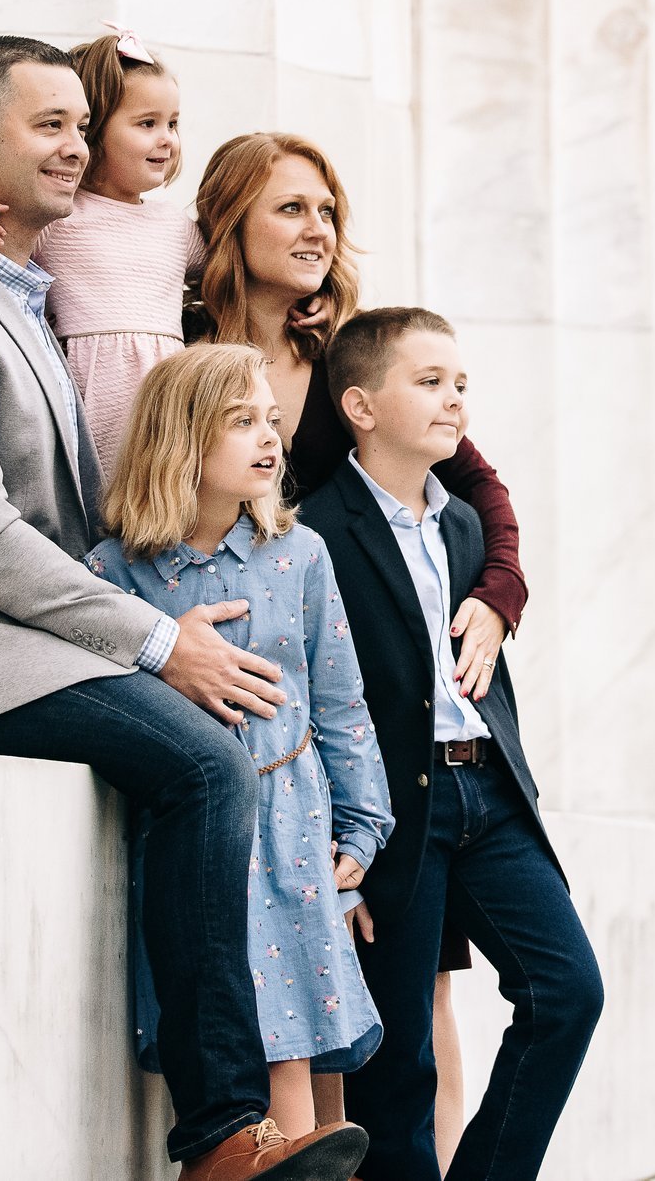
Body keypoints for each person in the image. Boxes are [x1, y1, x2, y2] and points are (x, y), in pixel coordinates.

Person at [0, 37, 366, 1181]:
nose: (75, 142)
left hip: (10, 641)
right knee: (203, 759)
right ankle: (220, 1139)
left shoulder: (24, 290)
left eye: (76, 123)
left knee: (214, 749)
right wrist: (157, 640)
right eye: (46, 123)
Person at [185, 133, 525, 1144]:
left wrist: (497, 595)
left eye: (326, 209)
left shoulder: (348, 361)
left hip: (372, 718)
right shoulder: (182, 346)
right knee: (324, 978)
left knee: (418, 992)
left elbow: (480, 487)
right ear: (229, 224)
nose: (317, 228)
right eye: (290, 208)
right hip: (252, 701)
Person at [297, 307, 601, 1181]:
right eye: (429, 382)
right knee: (397, 1068)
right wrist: (338, 845)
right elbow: (307, 702)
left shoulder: (466, 526)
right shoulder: (314, 532)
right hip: (393, 808)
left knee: (568, 992)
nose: (454, 400)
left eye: (461, 383)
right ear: (359, 405)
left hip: (490, 796)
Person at [86, 343, 395, 1135]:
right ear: (181, 439)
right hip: (189, 837)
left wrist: (361, 830)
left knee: (291, 1043)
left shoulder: (299, 556)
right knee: (217, 1033)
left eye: (272, 420)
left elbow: (341, 705)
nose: (269, 438)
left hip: (291, 830)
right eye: (241, 422)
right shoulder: (115, 573)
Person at [0, 26, 201, 486]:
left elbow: (233, 272)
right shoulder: (59, 217)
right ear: (98, 135)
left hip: (167, 402)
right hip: (90, 396)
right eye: (146, 123)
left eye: (172, 123)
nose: (167, 139)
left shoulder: (176, 227)